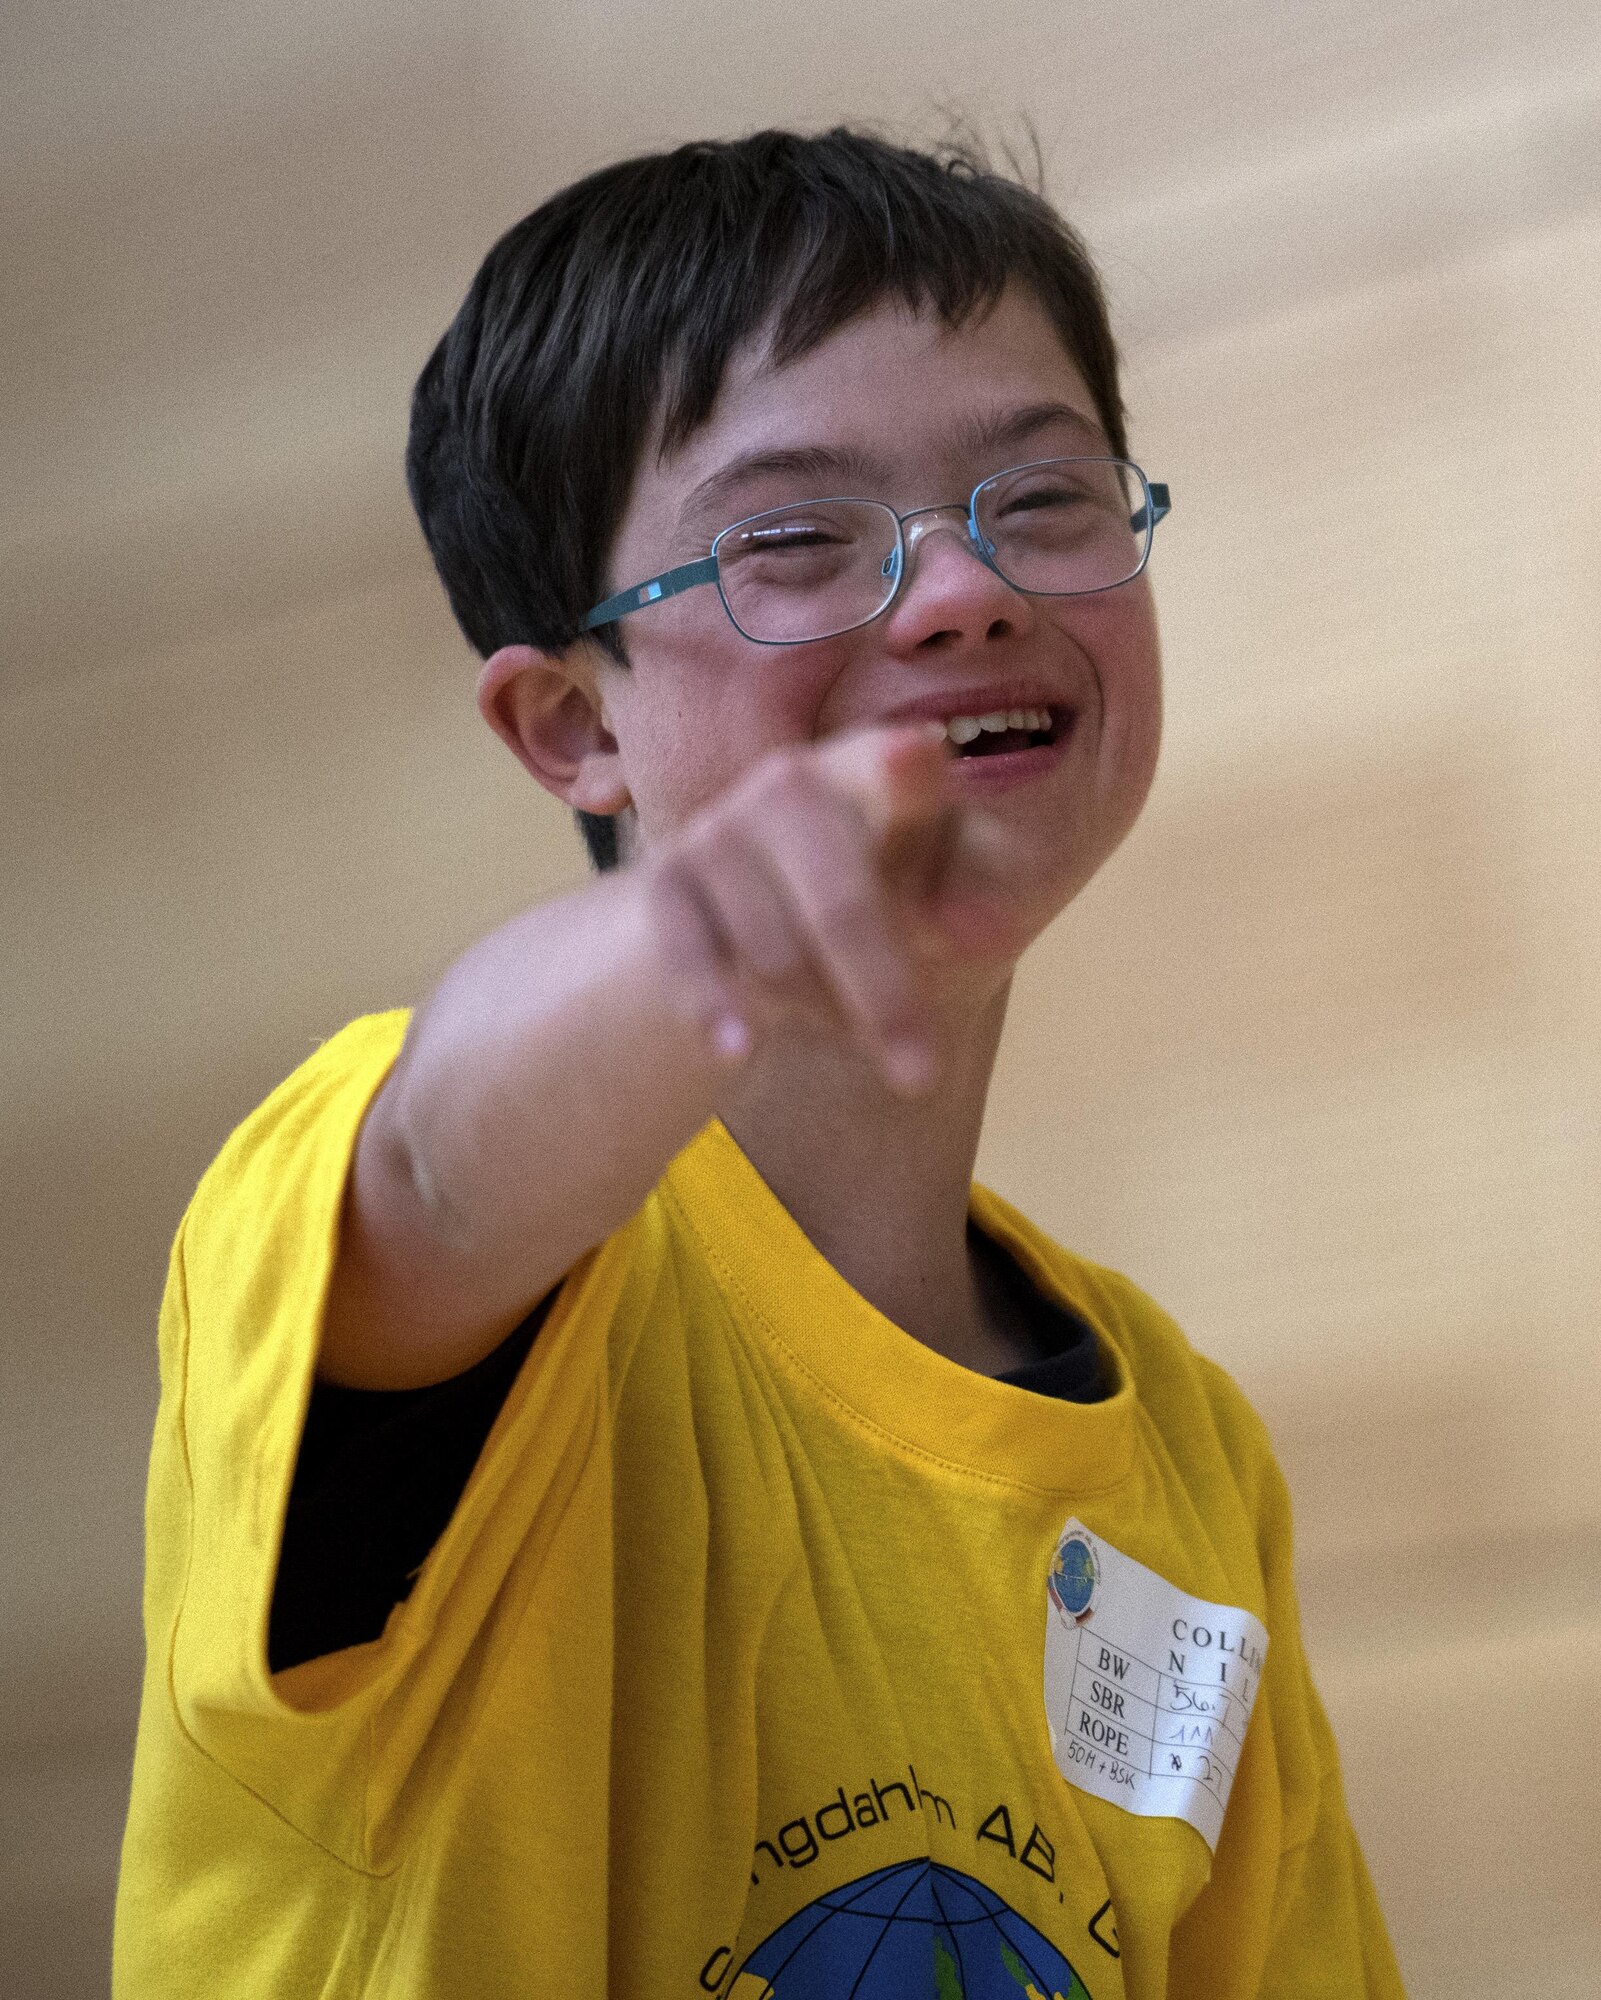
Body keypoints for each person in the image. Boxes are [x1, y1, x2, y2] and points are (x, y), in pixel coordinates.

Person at [114, 128, 1405, 1998]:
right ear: (572, 726)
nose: (961, 589)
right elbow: (435, 1179)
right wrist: (706, 934)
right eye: (795, 537)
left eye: (1040, 497)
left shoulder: (1186, 1459)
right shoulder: (416, 1226)